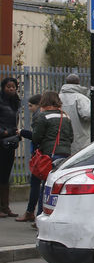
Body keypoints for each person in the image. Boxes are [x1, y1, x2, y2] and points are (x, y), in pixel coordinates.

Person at [59, 73, 94, 154]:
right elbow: (88, 114)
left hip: (63, 143)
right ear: (78, 83)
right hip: (81, 142)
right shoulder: (80, 98)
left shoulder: (58, 98)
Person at [15, 94, 41, 222]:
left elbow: (36, 136)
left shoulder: (39, 117)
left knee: (36, 183)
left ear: (38, 105)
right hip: (45, 153)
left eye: (31, 106)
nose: (29, 108)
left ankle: (31, 212)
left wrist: (22, 132)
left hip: (40, 154)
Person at [0, 77, 21, 218]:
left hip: (10, 142)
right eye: (8, 86)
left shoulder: (16, 102)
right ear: (3, 88)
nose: (11, 89)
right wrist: (4, 132)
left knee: (6, 175)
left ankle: (5, 206)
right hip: (2, 139)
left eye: (13, 86)